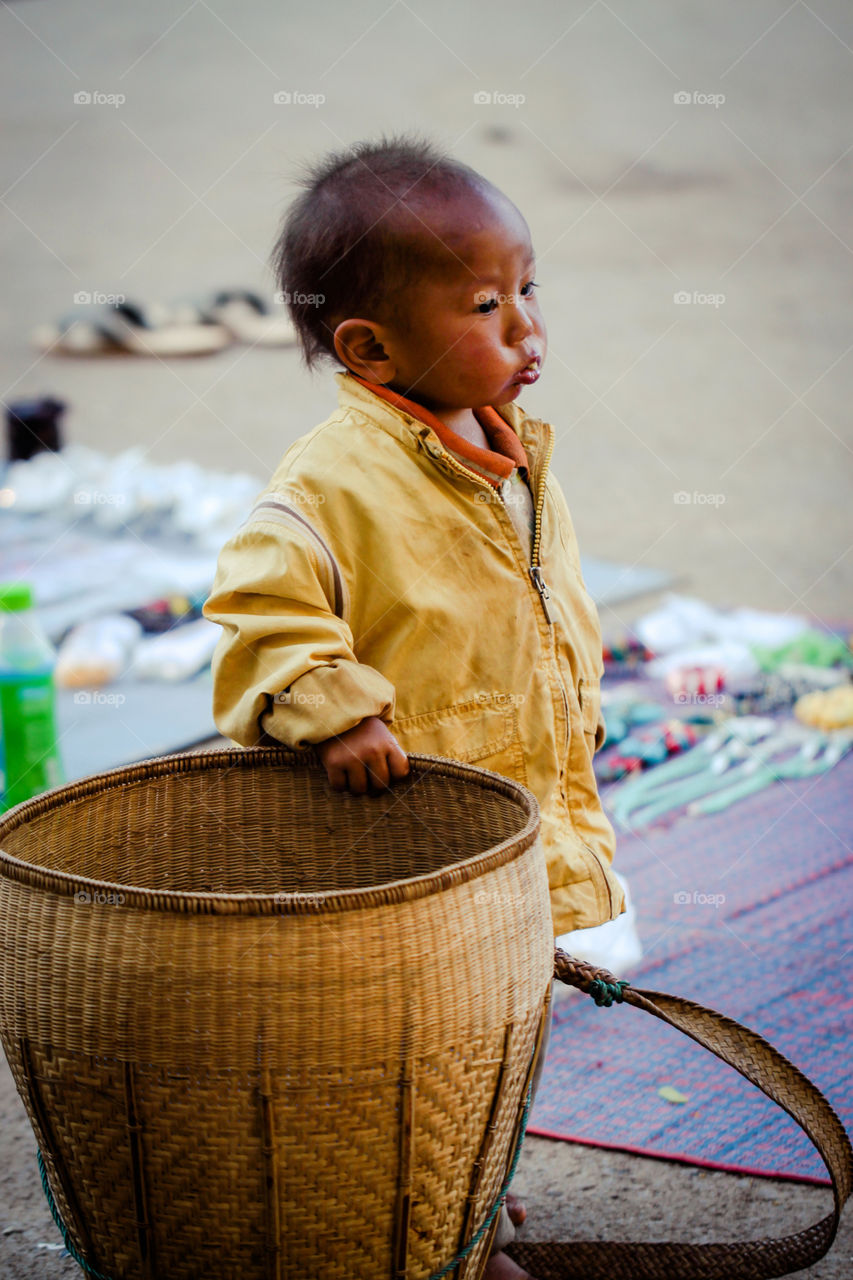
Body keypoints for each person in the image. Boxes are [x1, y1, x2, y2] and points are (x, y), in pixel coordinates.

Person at [204, 136, 624, 1279]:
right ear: (370, 348)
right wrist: (339, 709)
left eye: (528, 287)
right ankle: (441, 1234)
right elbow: (258, 603)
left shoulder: (505, 441)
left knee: (500, 1042)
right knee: (417, 1057)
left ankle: (470, 1186)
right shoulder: (335, 479)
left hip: (514, 816)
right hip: (409, 846)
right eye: (486, 304)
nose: (527, 327)